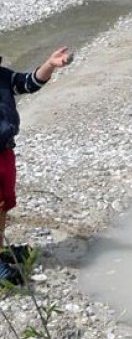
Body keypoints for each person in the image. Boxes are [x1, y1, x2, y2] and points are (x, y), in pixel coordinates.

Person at [1, 47, 73, 282]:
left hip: (4, 152)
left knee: (2, 206)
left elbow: (28, 83)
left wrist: (50, 65)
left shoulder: (2, 76)